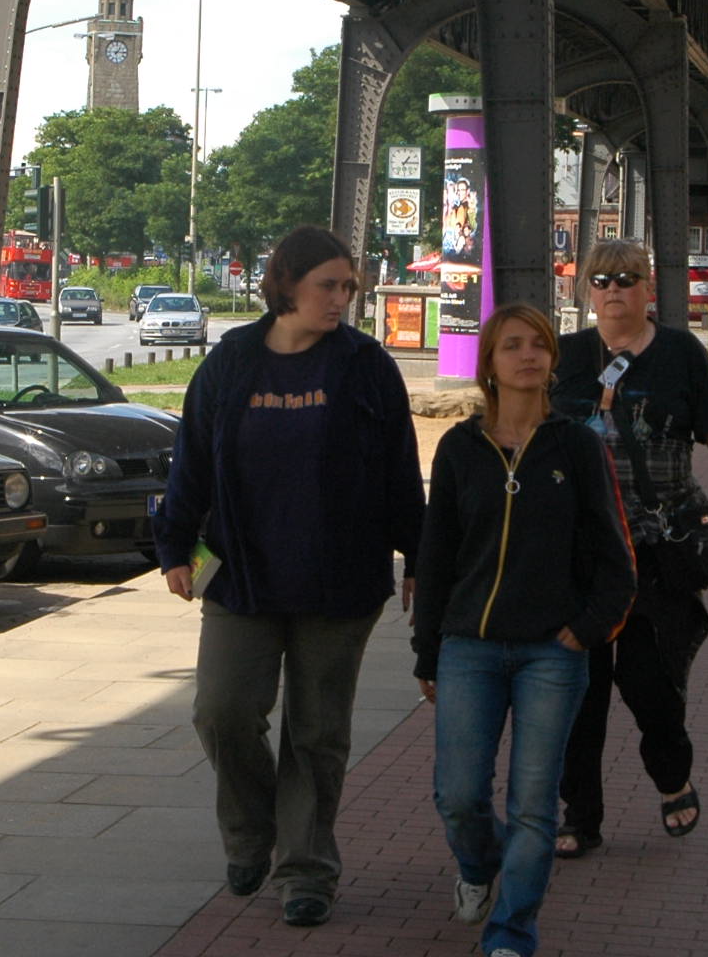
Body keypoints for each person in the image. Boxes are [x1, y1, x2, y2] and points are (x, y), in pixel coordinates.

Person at [157, 225, 425, 929]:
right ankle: (252, 833)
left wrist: (420, 556)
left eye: (348, 287)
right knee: (221, 711)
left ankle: (306, 870)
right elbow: (192, 459)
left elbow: (400, 470)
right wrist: (174, 546)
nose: (340, 299)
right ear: (286, 284)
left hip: (340, 579)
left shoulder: (364, 365)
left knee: (317, 733)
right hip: (242, 574)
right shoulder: (232, 361)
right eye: (326, 285)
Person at [415, 304, 636, 957]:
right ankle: (479, 866)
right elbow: (435, 558)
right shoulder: (461, 448)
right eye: (512, 345)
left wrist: (586, 630)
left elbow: (615, 557)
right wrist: (428, 651)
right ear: (488, 363)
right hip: (470, 647)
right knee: (458, 796)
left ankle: (511, 932)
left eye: (538, 344)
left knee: (534, 804)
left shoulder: (577, 446)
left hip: (551, 652)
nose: (528, 355)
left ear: (552, 360)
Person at [547, 240, 708, 858]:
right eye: (601, 281)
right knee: (579, 690)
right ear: (586, 291)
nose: (613, 290)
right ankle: (580, 815)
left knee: (651, 682)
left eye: (626, 278)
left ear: (649, 288)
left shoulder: (680, 355)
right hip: (581, 554)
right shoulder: (565, 357)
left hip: (657, 547)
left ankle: (672, 775)